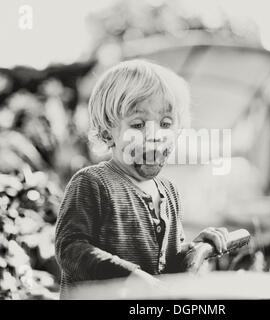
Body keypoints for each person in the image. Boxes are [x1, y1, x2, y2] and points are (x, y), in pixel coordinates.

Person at [55, 59, 228, 299]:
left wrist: (191, 250)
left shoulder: (170, 192)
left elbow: (165, 270)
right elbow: (70, 249)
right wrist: (130, 277)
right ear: (108, 133)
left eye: (165, 124)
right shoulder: (92, 183)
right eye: (137, 124)